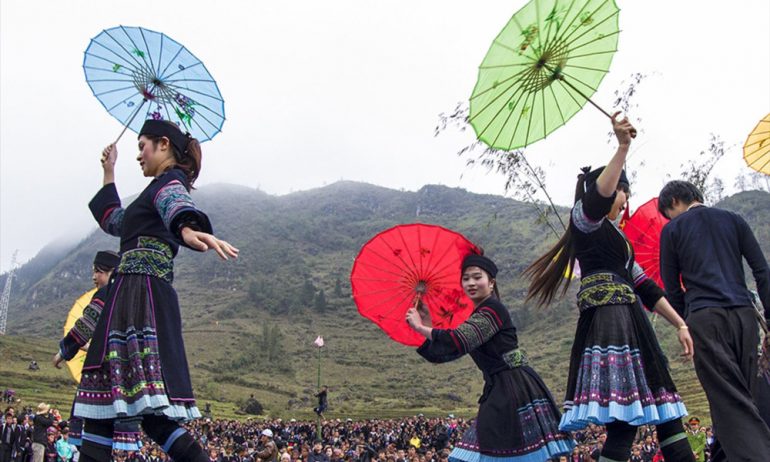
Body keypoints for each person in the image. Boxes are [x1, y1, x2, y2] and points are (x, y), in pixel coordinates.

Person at [524, 114, 695, 462]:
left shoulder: (620, 242)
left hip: (634, 323)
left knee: (661, 416)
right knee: (627, 421)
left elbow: (646, 286)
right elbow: (598, 200)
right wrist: (622, 146)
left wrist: (680, 323)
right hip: (611, 323)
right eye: (622, 193)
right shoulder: (585, 221)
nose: (623, 201)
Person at [71, 120, 239, 462]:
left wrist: (187, 227)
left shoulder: (167, 182)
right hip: (130, 296)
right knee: (119, 408)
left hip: (140, 298)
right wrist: (109, 171)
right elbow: (114, 221)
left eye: (142, 145)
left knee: (127, 407)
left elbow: (173, 202)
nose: (138, 155)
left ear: (163, 144)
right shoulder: (146, 198)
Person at [405, 253, 574, 462]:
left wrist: (421, 327)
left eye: (477, 277)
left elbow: (460, 339)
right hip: (500, 389)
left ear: (491, 283)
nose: (471, 283)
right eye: (466, 279)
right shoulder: (479, 315)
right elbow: (446, 352)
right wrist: (428, 323)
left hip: (512, 388)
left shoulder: (493, 309)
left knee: (497, 452)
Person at [657, 179, 770, 461]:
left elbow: (671, 289)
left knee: (730, 400)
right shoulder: (733, 220)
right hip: (744, 317)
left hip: (705, 320)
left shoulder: (672, 230)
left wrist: (687, 322)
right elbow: (762, 271)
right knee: (741, 394)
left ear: (673, 203)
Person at [51, 250, 121, 449]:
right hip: (125, 375)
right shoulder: (130, 296)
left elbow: (85, 325)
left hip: (103, 375)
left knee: (91, 434)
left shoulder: (106, 294)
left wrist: (63, 352)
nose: (94, 277)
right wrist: (93, 346)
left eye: (98, 271)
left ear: (111, 272)